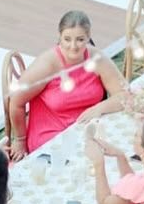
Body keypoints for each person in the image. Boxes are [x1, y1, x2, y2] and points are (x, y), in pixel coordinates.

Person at [8, 10, 128, 161]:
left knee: (117, 153)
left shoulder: (96, 58)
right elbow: (16, 102)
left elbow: (124, 94)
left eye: (80, 39)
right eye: (67, 39)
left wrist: (98, 108)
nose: (73, 46)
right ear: (60, 37)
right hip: (51, 138)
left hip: (87, 129)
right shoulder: (47, 65)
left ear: (88, 38)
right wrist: (20, 140)